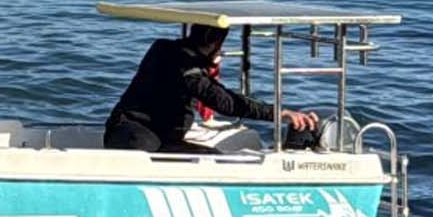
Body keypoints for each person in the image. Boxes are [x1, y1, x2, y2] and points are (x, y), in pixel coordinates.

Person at [102, 22, 322, 153]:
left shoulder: (164, 49)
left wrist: (206, 62)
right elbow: (223, 101)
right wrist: (278, 113)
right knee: (206, 160)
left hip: (146, 134)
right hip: (136, 135)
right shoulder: (186, 67)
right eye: (220, 43)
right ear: (212, 41)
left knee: (210, 156)